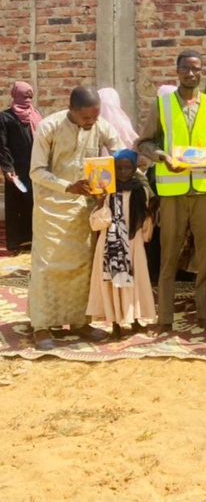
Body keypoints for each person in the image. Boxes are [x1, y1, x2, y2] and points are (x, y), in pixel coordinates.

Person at [29, 86, 124, 351]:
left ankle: (80, 322)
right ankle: (42, 325)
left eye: (95, 117)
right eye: (86, 119)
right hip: (51, 206)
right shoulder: (49, 127)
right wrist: (67, 186)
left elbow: (120, 151)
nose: (91, 123)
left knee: (83, 266)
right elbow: (36, 171)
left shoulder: (100, 125)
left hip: (85, 207)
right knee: (48, 266)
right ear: (71, 110)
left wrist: (122, 166)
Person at [136, 50, 206, 333]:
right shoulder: (162, 105)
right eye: (186, 68)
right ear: (177, 71)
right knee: (168, 254)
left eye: (196, 69)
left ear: (202, 71)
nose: (191, 74)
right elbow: (144, 143)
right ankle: (166, 318)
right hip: (172, 191)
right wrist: (162, 157)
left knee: (205, 254)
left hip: (204, 189)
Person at [86, 149, 156, 340]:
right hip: (111, 244)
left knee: (135, 280)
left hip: (134, 242)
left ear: (134, 169)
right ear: (113, 169)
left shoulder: (140, 190)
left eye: (128, 167)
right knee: (113, 284)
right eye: (119, 168)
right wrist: (100, 204)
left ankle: (133, 320)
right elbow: (98, 224)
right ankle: (116, 323)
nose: (124, 171)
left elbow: (145, 220)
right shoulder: (107, 190)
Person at [0, 82, 41, 252]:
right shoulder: (5, 117)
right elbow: (2, 145)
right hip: (16, 171)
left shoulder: (36, 115)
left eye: (30, 96)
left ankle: (33, 239)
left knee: (33, 203)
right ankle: (16, 242)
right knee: (16, 203)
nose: (27, 99)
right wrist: (8, 169)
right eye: (25, 96)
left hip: (35, 168)